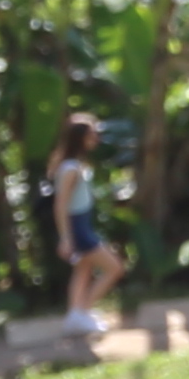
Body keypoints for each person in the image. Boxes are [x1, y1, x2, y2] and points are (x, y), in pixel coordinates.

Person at [49, 110, 128, 336]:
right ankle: (81, 312)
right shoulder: (70, 169)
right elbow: (61, 205)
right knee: (115, 268)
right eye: (92, 135)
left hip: (83, 224)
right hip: (78, 228)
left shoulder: (77, 165)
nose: (96, 139)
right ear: (80, 138)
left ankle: (77, 314)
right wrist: (66, 237)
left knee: (84, 270)